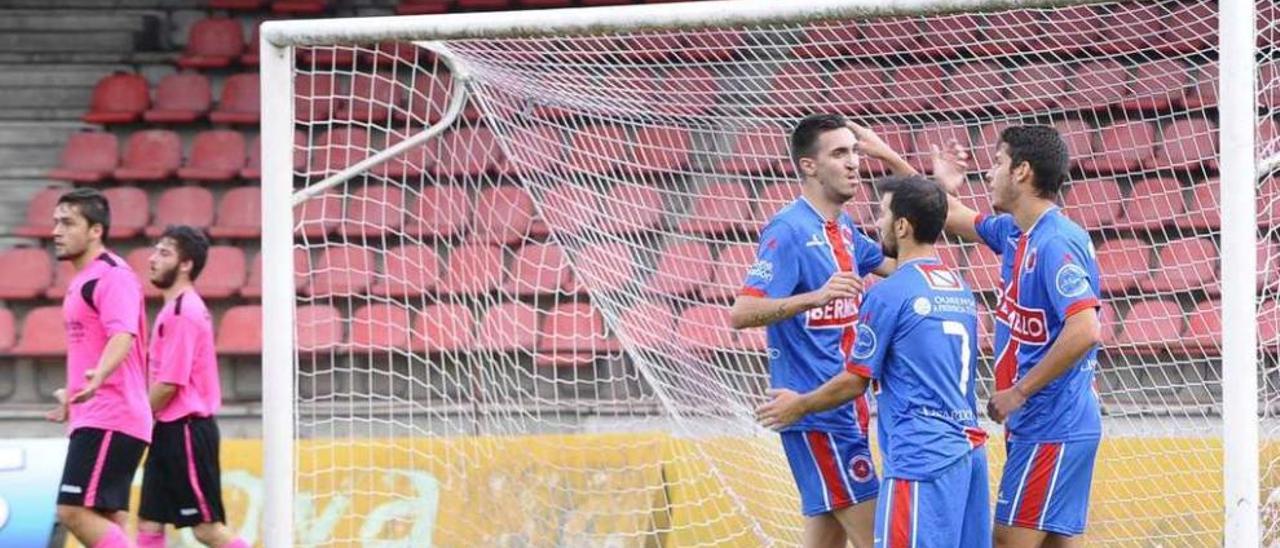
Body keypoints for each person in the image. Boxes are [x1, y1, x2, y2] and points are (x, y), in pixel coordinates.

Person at [756, 174, 991, 548]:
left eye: (882, 214)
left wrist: (799, 405)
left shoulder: (888, 294)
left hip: (921, 454)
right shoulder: (961, 289)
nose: (877, 223)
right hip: (970, 449)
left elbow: (855, 380)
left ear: (902, 225)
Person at [730, 113, 910, 548]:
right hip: (819, 416)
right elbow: (742, 311)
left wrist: (911, 174)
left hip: (844, 410)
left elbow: (908, 261)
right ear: (809, 166)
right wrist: (815, 297)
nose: (853, 163)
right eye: (839, 153)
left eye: (854, 152)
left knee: (826, 538)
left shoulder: (843, 229)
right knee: (883, 539)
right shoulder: (788, 230)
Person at [931, 126, 1104, 546]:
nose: (989, 174)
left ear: (1022, 171)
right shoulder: (1015, 234)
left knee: (1007, 539)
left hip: (1051, 424)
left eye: (997, 162)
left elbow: (1086, 329)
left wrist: (1019, 392)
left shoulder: (1055, 242)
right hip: (1048, 424)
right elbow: (944, 213)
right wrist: (940, 184)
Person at [47, 188, 151, 548]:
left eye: (68, 223)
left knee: (72, 511)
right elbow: (88, 347)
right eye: (56, 222)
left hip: (112, 414)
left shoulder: (112, 275)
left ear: (96, 230)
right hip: (96, 411)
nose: (56, 231)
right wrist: (72, 393)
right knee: (109, 519)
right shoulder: (81, 280)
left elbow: (123, 334)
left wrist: (100, 376)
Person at [135, 226, 248, 548]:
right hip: (168, 429)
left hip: (185, 430)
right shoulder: (174, 309)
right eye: (154, 250)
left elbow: (169, 384)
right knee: (150, 523)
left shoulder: (185, 312)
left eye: (164, 253)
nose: (153, 258)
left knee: (205, 529)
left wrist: (134, 417)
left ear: (185, 265)